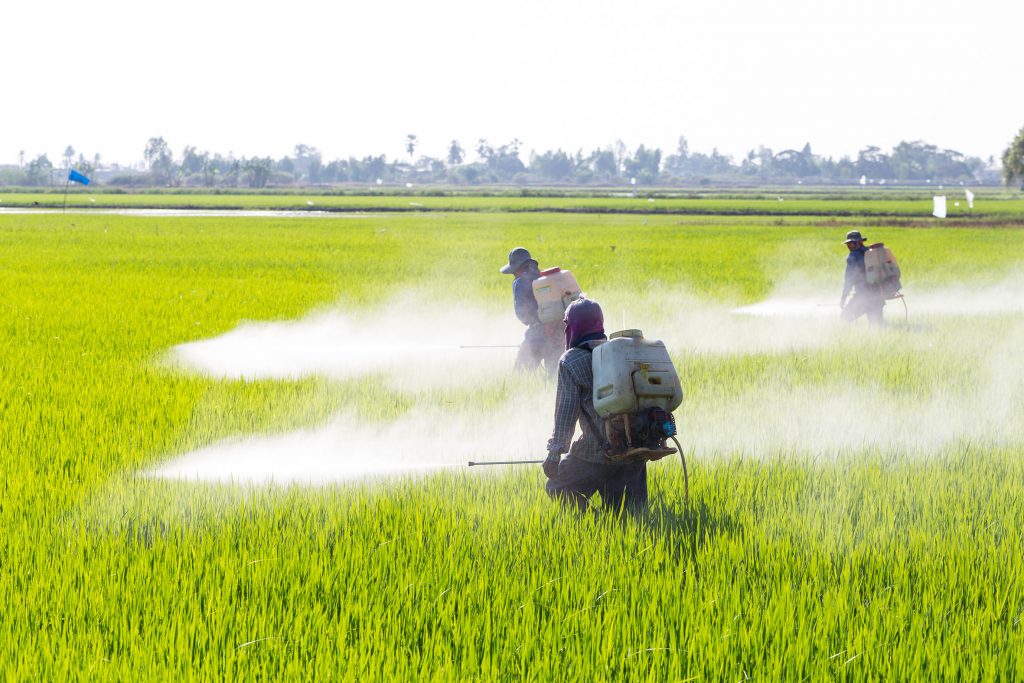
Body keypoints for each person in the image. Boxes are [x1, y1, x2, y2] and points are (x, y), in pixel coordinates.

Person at [543, 298, 648, 513]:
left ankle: (596, 522)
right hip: (635, 450)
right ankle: (607, 529)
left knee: (557, 486)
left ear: (573, 326)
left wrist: (554, 455)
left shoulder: (570, 361)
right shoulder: (622, 353)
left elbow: (565, 415)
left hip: (595, 453)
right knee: (631, 520)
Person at [500, 247, 564, 374]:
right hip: (558, 330)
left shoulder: (519, 282)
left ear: (518, 267)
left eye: (513, 271)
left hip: (537, 333)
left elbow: (522, 313)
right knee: (554, 376)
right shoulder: (542, 277)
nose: (513, 274)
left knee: (520, 373)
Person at [839, 230, 885, 326]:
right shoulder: (871, 252)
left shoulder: (853, 256)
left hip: (864, 297)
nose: (849, 246)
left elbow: (849, 278)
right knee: (877, 326)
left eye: (851, 243)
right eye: (848, 244)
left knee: (845, 317)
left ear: (858, 242)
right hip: (879, 296)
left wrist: (843, 297)